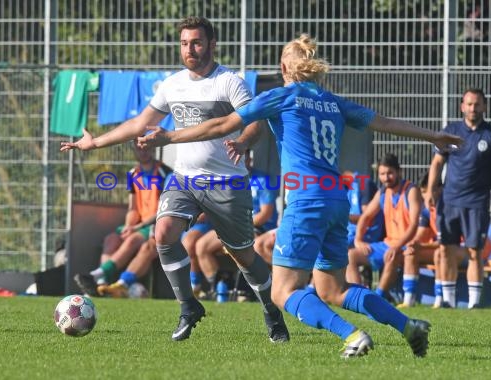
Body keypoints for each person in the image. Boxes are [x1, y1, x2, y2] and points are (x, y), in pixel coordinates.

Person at [137, 34, 463, 357]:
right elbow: (384, 122)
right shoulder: (332, 101)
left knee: (283, 292)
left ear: (284, 67)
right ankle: (408, 326)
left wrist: (171, 136)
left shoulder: (282, 96)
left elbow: (222, 125)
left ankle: (352, 336)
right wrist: (433, 135)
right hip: (336, 199)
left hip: (306, 200)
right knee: (333, 288)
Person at [61, 16, 289, 343]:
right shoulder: (173, 84)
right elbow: (141, 122)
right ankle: (188, 306)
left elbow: (256, 125)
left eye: (196, 42)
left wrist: (243, 142)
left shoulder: (230, 82)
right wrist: (95, 142)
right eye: (184, 43)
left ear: (212, 44)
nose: (190, 49)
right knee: (163, 232)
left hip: (227, 184)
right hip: (185, 181)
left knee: (244, 258)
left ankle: (270, 308)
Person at [426, 88, 491, 309]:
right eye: (469, 104)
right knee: (446, 250)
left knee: (475, 251)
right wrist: (430, 190)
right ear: (462, 106)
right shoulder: (451, 131)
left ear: (485, 107)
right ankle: (449, 302)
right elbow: (437, 162)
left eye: (477, 104)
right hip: (450, 201)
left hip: (477, 202)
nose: (473, 108)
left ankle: (474, 304)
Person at [74, 142, 171, 296]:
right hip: (138, 225)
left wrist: (136, 228)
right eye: (139, 148)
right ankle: (101, 286)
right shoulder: (133, 174)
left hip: (155, 224)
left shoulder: (165, 173)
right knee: (111, 239)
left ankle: (97, 276)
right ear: (134, 150)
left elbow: (163, 210)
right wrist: (128, 226)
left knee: (132, 240)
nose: (143, 151)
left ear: (153, 148)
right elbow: (132, 208)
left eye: (146, 147)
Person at [194, 150, 278, 297]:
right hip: (232, 227)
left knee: (242, 247)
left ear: (248, 158)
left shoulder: (263, 180)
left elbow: (266, 214)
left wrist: (239, 225)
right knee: (201, 246)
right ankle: (219, 288)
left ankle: (254, 289)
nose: (238, 159)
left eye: (242, 155)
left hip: (258, 227)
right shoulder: (228, 180)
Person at [347, 154, 422, 302]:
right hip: (388, 244)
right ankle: (359, 299)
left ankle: (379, 298)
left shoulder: (411, 190)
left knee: (393, 255)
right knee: (351, 255)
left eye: (390, 173)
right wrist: (358, 240)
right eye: (382, 174)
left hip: (407, 244)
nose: (386, 177)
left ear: (399, 172)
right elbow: (365, 217)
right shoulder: (382, 192)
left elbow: (414, 224)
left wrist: (397, 247)